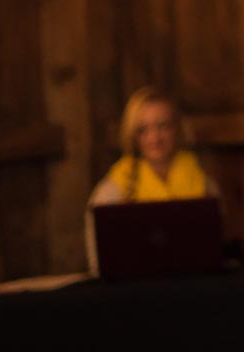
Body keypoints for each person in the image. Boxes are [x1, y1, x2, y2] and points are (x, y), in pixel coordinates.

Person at [85, 87, 217, 272]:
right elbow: (98, 253)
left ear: (177, 128)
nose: (154, 138)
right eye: (143, 130)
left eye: (163, 126)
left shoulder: (202, 181)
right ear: (133, 134)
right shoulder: (115, 186)